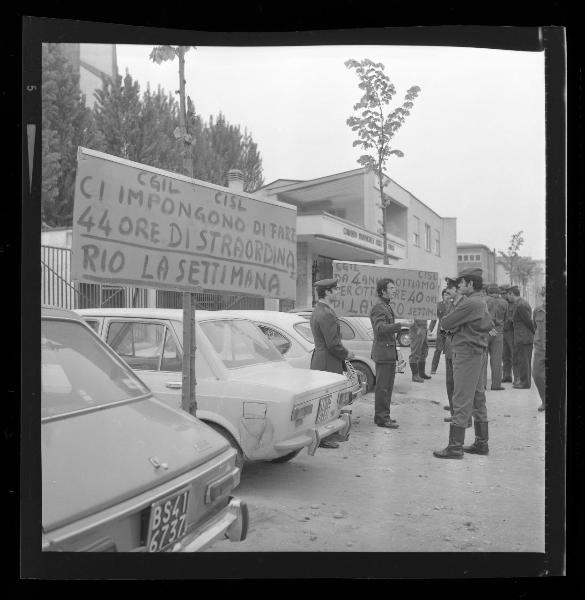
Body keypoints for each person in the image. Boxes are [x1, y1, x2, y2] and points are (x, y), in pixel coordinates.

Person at [432, 267, 494, 459]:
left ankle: (455, 447)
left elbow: (446, 323)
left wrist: (454, 309)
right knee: (477, 398)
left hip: (467, 353)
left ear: (470, 284)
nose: (458, 287)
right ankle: (481, 443)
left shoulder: (470, 303)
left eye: (461, 283)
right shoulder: (479, 301)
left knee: (460, 399)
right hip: (476, 353)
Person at [310, 278, 355, 448]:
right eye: (335, 289)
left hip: (322, 359)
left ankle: (325, 436)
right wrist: (347, 353)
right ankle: (325, 437)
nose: (337, 292)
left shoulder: (319, 310)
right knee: (327, 402)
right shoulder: (327, 313)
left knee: (325, 401)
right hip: (328, 361)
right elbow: (333, 344)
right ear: (327, 292)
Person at [369, 278, 403, 428]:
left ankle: (384, 416)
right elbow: (380, 329)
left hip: (388, 352)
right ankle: (382, 418)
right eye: (391, 288)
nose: (394, 290)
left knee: (387, 387)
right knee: (382, 387)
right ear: (383, 291)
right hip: (383, 353)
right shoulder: (379, 307)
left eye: (394, 287)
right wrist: (400, 325)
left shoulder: (386, 306)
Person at [482, 284, 508, 391]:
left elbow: (481, 316)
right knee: (497, 360)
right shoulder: (504, 303)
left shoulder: (484, 300)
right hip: (498, 332)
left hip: (485, 331)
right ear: (498, 293)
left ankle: (482, 385)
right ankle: (496, 384)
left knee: (483, 359)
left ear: (488, 292)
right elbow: (506, 319)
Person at [508, 286, 535, 389]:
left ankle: (525, 383)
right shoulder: (520, 303)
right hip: (522, 336)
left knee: (524, 361)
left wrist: (533, 332)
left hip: (523, 337)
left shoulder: (520, 305)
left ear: (512, 294)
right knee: (524, 360)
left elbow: (528, 321)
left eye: (508, 294)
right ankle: (524, 381)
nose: (507, 297)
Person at [440, 279, 459, 422]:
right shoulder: (450, 304)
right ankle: (454, 412)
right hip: (449, 348)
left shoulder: (462, 305)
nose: (446, 291)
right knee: (450, 383)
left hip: (458, 349)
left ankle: (459, 414)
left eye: (449, 289)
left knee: (457, 384)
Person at [532, 286, 546, 411]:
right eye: (544, 295)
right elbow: (534, 327)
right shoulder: (537, 310)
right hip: (540, 348)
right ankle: (545, 400)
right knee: (537, 374)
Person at [430, 290, 450, 374]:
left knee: (449, 351)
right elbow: (434, 319)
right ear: (442, 296)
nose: (447, 296)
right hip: (441, 330)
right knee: (438, 350)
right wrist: (430, 329)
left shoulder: (454, 305)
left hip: (450, 330)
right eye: (445, 295)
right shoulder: (438, 305)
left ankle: (450, 370)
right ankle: (433, 369)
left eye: (448, 294)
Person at [501, 285, 517, 383]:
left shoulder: (516, 304)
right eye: (502, 294)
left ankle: (517, 377)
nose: (503, 295)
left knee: (514, 355)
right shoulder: (504, 304)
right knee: (505, 355)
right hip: (503, 332)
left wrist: (510, 319)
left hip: (512, 332)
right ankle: (507, 376)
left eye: (505, 293)